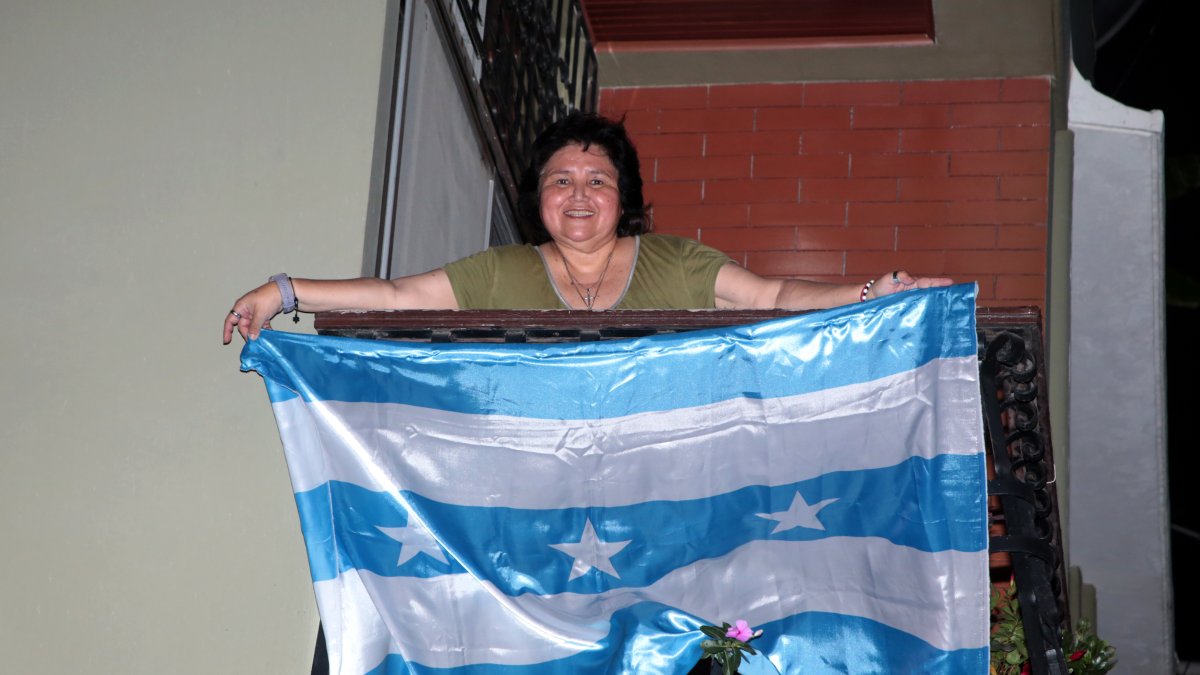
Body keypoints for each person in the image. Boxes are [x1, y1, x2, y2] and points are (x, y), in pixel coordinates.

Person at [223, 112, 951, 344]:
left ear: (623, 196)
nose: (579, 195)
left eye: (597, 179)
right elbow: (392, 295)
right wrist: (283, 290)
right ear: (538, 198)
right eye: (560, 180)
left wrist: (869, 292)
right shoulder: (501, 271)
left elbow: (773, 293)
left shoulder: (677, 262)